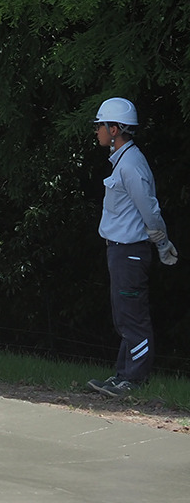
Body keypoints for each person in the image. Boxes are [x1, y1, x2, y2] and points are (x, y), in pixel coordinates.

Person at [88, 98, 176, 397]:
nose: (97, 130)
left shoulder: (132, 165)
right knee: (123, 315)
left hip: (131, 251)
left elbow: (149, 210)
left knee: (133, 316)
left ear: (115, 129)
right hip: (120, 250)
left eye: (100, 125)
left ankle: (134, 380)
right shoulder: (123, 161)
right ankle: (122, 376)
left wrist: (162, 243)